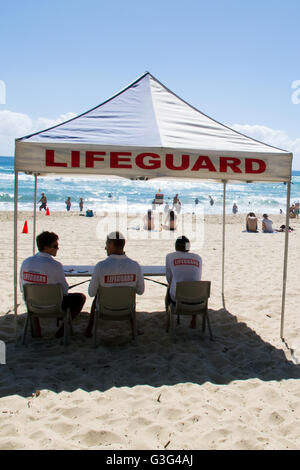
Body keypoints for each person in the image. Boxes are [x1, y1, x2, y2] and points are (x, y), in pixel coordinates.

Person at [19, 231, 86, 338]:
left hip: (32, 304)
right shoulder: (56, 265)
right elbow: (64, 291)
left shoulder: (26, 262)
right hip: (53, 306)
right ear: (46, 247)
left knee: (34, 295)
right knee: (80, 298)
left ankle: (37, 331)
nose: (57, 248)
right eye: (55, 246)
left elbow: (22, 287)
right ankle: (61, 331)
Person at [85, 231, 145, 337]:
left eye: (107, 244)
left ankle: (89, 329)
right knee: (130, 295)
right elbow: (140, 291)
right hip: (126, 309)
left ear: (111, 244)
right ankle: (134, 328)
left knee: (97, 296)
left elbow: (91, 293)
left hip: (105, 309)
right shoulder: (135, 266)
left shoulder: (100, 266)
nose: (105, 248)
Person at [165, 236, 202, 329]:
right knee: (193, 287)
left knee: (169, 289)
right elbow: (198, 277)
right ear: (188, 247)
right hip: (197, 299)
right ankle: (194, 319)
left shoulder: (170, 256)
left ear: (176, 247)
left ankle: (168, 319)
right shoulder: (198, 258)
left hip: (178, 298)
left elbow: (169, 278)